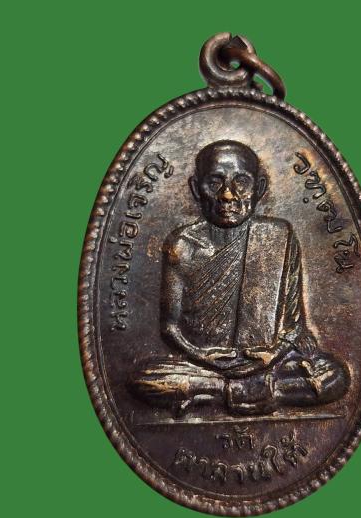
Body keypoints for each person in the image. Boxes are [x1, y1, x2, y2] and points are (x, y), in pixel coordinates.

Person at [130, 140, 349, 416]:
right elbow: (170, 328)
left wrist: (275, 353)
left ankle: (222, 393)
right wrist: (202, 355)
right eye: (214, 183)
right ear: (196, 189)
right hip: (204, 366)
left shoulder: (279, 236)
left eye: (241, 183)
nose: (227, 195)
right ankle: (258, 392)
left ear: (259, 188)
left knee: (335, 375)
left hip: (269, 364)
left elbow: (294, 327)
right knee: (144, 379)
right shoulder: (182, 245)